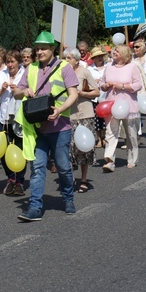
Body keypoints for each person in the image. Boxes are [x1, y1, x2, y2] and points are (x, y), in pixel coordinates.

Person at [14, 31, 79, 221]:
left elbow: (73, 94)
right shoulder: (31, 68)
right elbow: (17, 92)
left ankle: (68, 198)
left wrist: (59, 110)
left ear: (52, 48)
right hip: (37, 128)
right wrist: (24, 90)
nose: (40, 51)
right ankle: (35, 207)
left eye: (44, 48)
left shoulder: (64, 67)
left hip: (60, 127)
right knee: (37, 167)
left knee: (63, 167)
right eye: (38, 48)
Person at [100, 45, 142, 172]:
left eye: (117, 51)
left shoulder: (132, 67)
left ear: (124, 54)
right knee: (110, 133)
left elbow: (138, 85)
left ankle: (132, 158)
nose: (114, 52)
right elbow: (101, 84)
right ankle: (110, 160)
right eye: (114, 51)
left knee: (130, 135)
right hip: (111, 105)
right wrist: (105, 85)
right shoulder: (109, 66)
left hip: (128, 106)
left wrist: (122, 86)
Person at [0, 50, 26, 195]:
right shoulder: (2, 75)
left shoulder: (25, 74)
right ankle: (10, 178)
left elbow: (29, 92)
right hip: (3, 118)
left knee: (19, 149)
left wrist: (18, 90)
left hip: (19, 117)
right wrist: (2, 90)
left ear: (18, 62)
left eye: (13, 62)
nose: (10, 65)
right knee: (3, 151)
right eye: (8, 62)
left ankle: (20, 182)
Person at [64, 48, 99, 192]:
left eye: (69, 58)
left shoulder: (84, 72)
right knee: (69, 148)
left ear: (77, 60)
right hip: (68, 114)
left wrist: (82, 93)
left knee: (84, 148)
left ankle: (83, 179)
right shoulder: (62, 74)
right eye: (65, 58)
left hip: (85, 113)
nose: (66, 61)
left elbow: (96, 91)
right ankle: (70, 179)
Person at [88, 46, 108, 148]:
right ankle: (99, 139)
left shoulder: (108, 66)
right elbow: (86, 83)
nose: (100, 58)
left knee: (105, 119)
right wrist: (93, 83)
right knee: (96, 120)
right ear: (93, 58)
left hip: (106, 96)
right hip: (94, 97)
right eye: (98, 56)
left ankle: (104, 137)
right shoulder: (89, 69)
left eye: (101, 56)